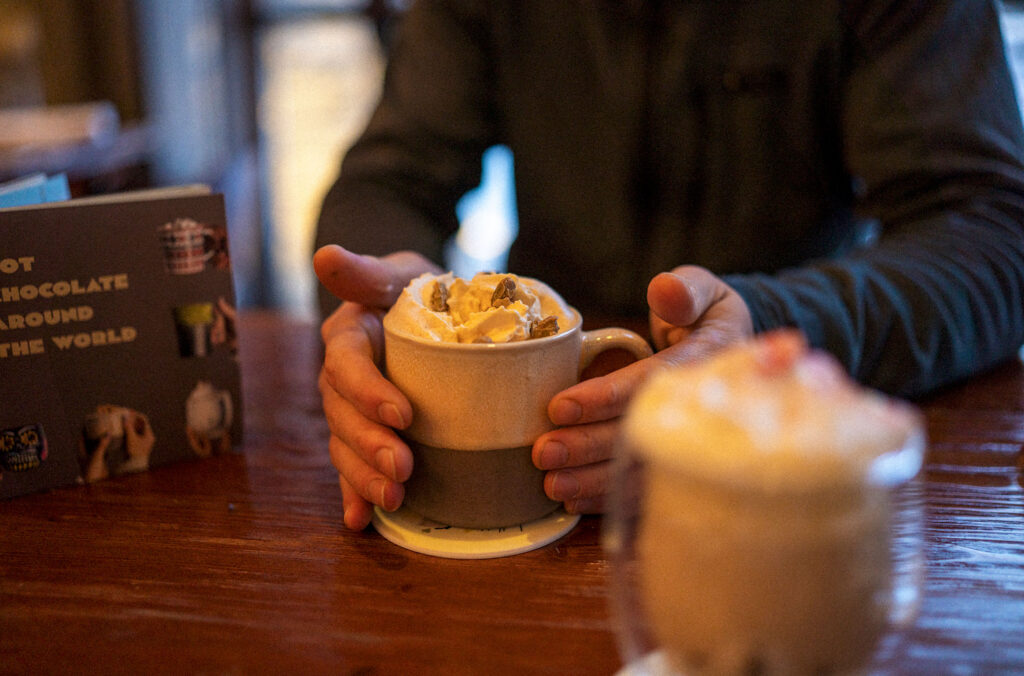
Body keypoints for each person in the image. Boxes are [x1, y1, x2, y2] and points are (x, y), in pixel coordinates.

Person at [313, 0, 1024, 530]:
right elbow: (387, 185)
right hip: (524, 464)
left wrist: (771, 327)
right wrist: (391, 319)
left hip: (795, 481)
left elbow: (997, 233)